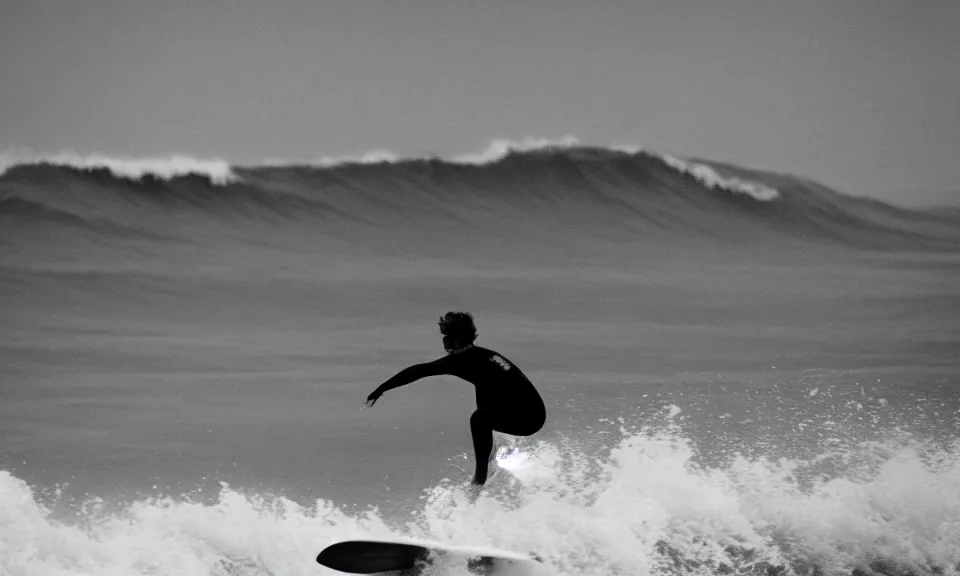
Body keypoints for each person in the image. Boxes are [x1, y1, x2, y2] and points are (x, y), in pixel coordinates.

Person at [365, 311, 546, 486]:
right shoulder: (483, 355)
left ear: (457, 340)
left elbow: (419, 370)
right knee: (482, 390)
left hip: (529, 418)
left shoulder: (463, 361)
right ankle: (500, 451)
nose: (444, 344)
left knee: (479, 419)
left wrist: (382, 389)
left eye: (447, 338)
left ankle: (479, 480)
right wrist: (383, 388)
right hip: (527, 411)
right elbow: (420, 370)